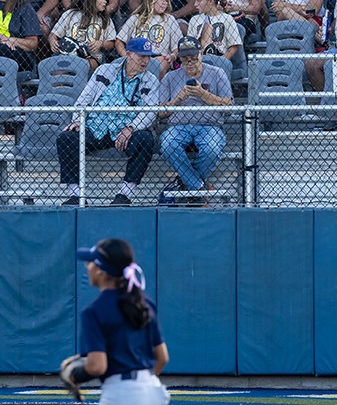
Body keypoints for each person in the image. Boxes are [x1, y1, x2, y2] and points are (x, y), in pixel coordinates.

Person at [60, 238, 168, 405]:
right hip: (153, 390)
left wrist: (75, 375)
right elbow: (162, 358)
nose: (87, 267)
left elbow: (97, 366)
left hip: (122, 393)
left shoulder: (94, 311)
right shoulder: (145, 303)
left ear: (101, 271)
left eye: (90, 263)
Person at [57, 36, 162, 205]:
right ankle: (77, 196)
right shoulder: (104, 70)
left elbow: (150, 112)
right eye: (141, 56)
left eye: (148, 56)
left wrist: (131, 128)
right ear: (128, 54)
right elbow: (84, 99)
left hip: (125, 132)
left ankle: (124, 195)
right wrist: (78, 120)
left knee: (145, 139)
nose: (145, 61)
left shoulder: (151, 81)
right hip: (96, 127)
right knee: (66, 138)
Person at [155, 40, 232, 199]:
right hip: (178, 126)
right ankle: (198, 188)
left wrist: (203, 94)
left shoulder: (217, 73)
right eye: (185, 60)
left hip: (209, 125)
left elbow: (229, 105)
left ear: (201, 55)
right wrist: (177, 99)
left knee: (212, 148)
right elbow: (159, 113)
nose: (189, 63)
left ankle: (185, 185)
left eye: (193, 58)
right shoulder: (170, 77)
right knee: (168, 143)